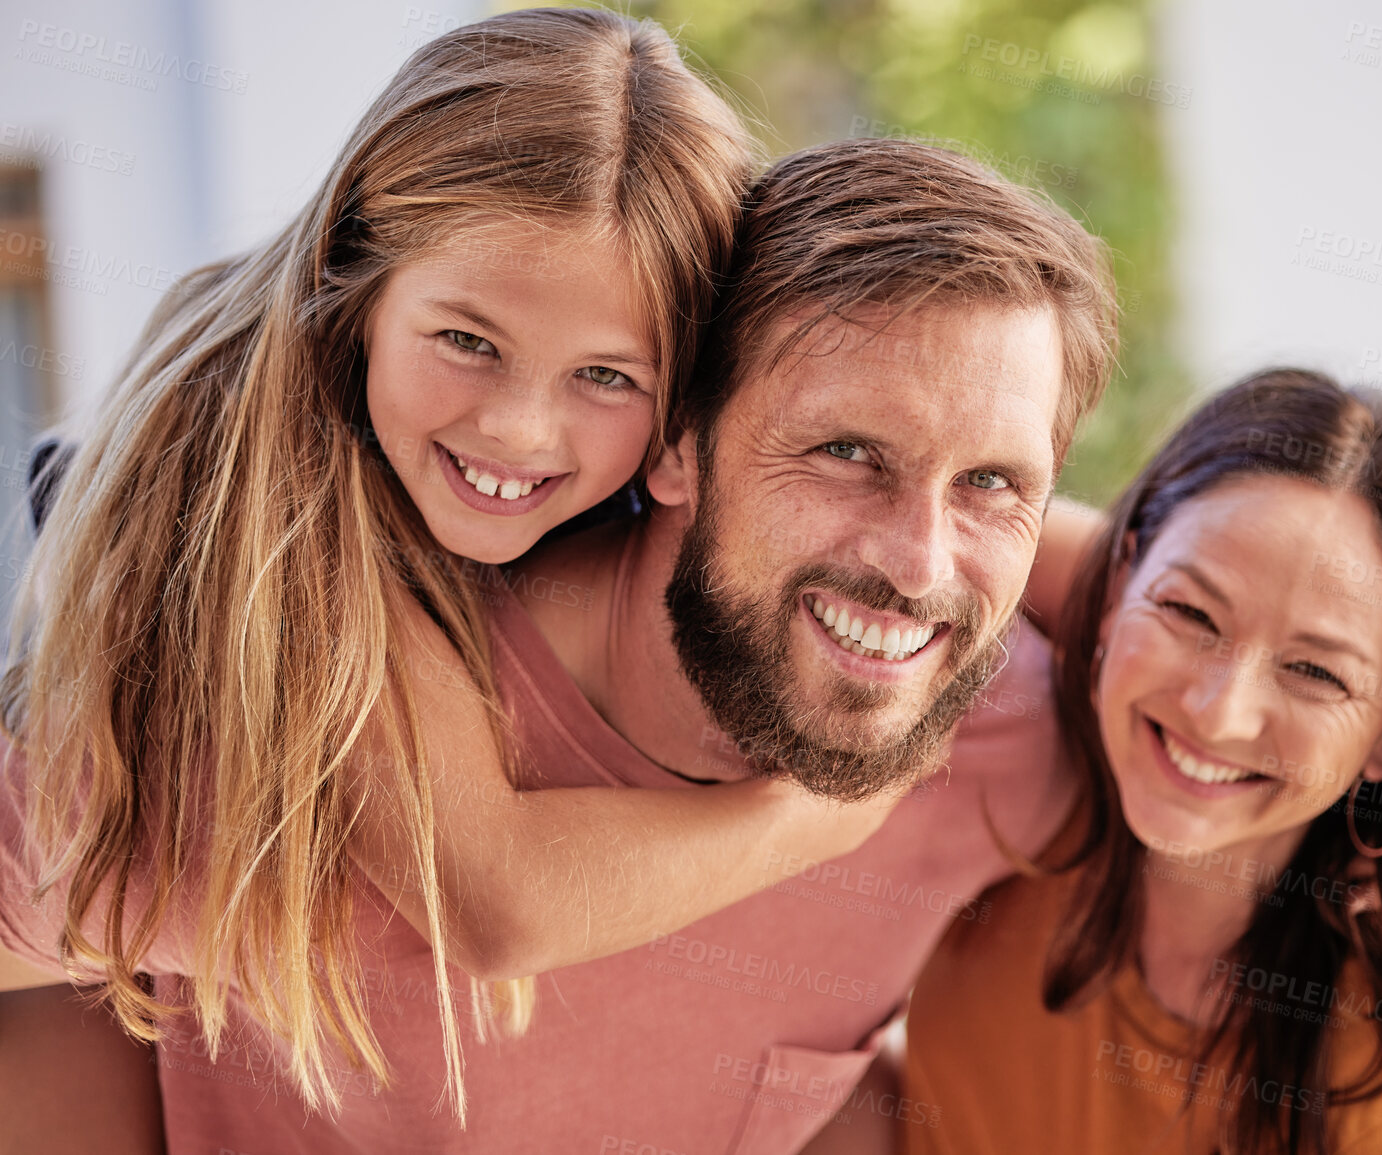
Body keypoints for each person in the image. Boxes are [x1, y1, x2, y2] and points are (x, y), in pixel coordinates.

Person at [1, 105, 1119, 1155]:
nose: (920, 563)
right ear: (678, 442)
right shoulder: (277, 752)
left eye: (991, 482)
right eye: (843, 453)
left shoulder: (1007, 734)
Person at [890, 370, 1382, 1154]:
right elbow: (951, 544)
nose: (1217, 711)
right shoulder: (1002, 767)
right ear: (1118, 583)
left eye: (1315, 672)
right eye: (1190, 612)